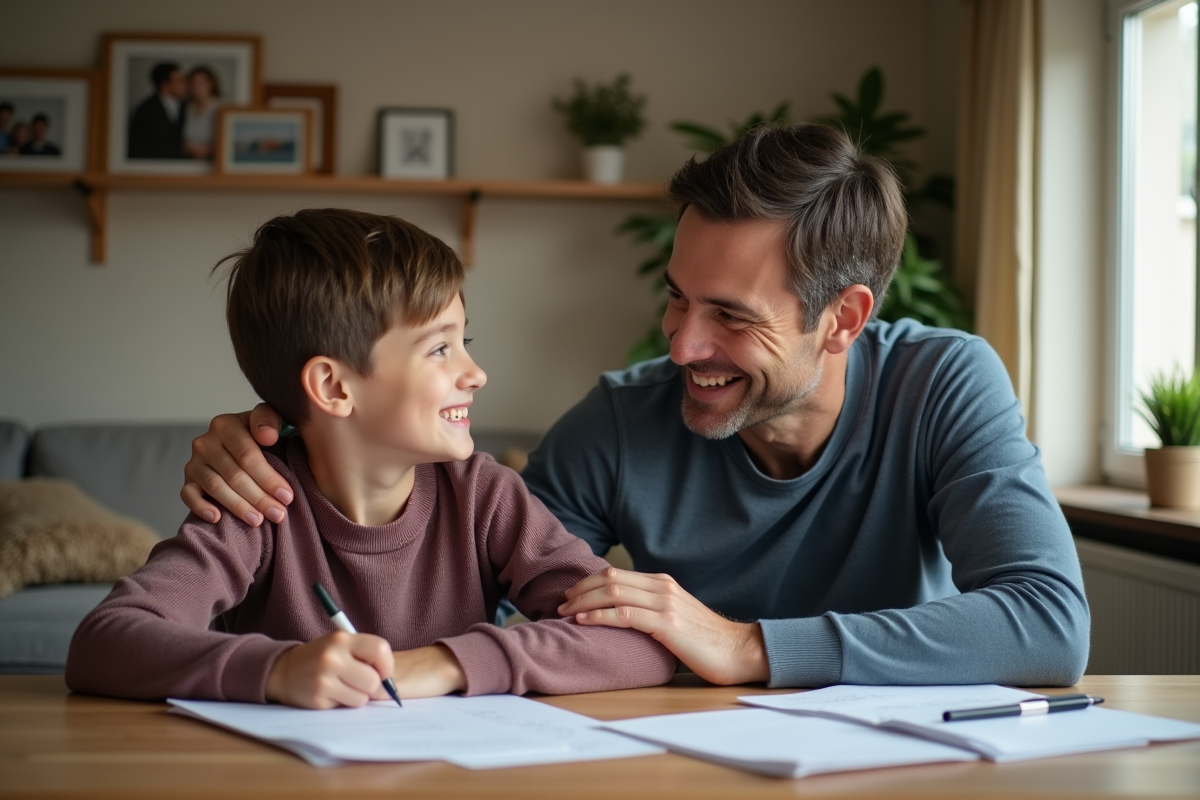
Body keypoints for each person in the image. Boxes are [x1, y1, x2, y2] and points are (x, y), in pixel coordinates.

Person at [181, 124, 1090, 690]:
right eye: (677, 296)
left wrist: (745, 646)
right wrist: (286, 434)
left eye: (730, 316)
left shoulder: (944, 384)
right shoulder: (618, 422)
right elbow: (502, 610)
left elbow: (1048, 624)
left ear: (843, 318)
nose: (682, 346)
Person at [66, 209, 675, 708]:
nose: (476, 372)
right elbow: (103, 642)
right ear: (334, 388)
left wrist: (441, 665)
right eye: (439, 348)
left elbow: (641, 640)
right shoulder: (256, 503)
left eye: (465, 341)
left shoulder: (485, 495)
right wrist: (277, 670)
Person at [127, 62, 187, 160]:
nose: (185, 84)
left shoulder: (188, 106)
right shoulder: (145, 110)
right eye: (180, 81)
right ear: (165, 85)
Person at [182, 65, 221, 160]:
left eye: (201, 83)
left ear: (211, 84)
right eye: (193, 83)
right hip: (187, 159)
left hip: (213, 161)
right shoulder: (185, 107)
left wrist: (209, 150)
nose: (196, 87)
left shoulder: (221, 107)